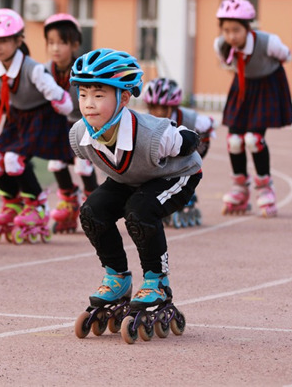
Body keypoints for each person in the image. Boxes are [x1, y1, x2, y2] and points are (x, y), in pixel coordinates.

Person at [68, 49, 202, 338]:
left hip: (175, 175)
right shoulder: (80, 134)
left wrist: (182, 140)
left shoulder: (154, 135)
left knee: (140, 212)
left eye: (99, 95)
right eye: (83, 94)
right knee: (92, 211)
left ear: (124, 98)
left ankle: (158, 281)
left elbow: (189, 140)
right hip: (130, 178)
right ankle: (117, 277)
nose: (89, 104)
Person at [0, 8, 74, 244]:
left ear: (19, 40)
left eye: (4, 41)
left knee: (13, 159)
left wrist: (63, 107)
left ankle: (37, 204)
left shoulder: (32, 68)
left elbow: (58, 95)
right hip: (16, 119)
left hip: (41, 118)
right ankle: (12, 202)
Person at [214, 0, 292, 218]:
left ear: (248, 28)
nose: (231, 36)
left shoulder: (268, 42)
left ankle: (265, 187)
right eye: (226, 30)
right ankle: (240, 188)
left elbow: (286, 56)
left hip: (266, 87)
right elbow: (229, 64)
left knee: (253, 139)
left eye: (236, 30)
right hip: (242, 88)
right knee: (234, 141)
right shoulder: (221, 45)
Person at [42, 13, 98, 233]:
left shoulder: (84, 70)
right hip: (58, 126)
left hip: (83, 125)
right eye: (51, 42)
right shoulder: (44, 71)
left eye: (62, 43)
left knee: (83, 165)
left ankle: (95, 203)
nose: (56, 48)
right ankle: (68, 200)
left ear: (75, 44)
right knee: (55, 163)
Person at [142, 77, 215, 227]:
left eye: (162, 108)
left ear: (172, 107)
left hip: (187, 154)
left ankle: (186, 190)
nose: (157, 113)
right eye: (153, 107)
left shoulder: (190, 118)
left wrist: (200, 144)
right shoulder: (145, 120)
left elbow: (209, 124)